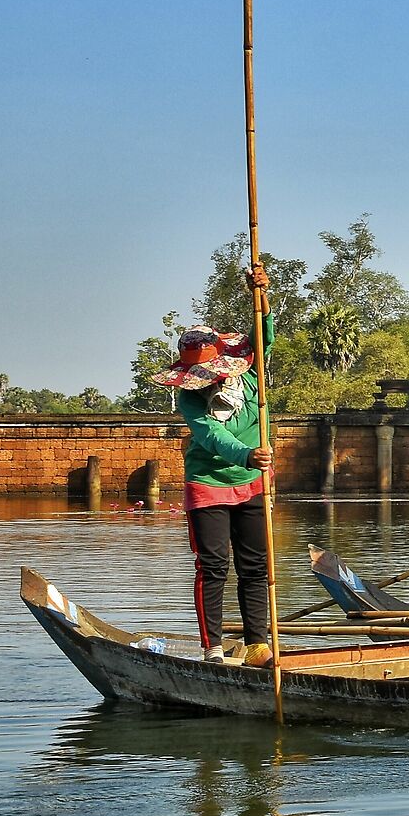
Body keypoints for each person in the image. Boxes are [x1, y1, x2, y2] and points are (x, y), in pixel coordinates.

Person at [153, 272, 277, 665]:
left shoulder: (253, 380)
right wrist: (246, 455)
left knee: (255, 564)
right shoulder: (190, 401)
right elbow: (211, 436)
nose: (206, 381)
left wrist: (261, 294)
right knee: (214, 566)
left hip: (254, 483)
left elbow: (264, 336)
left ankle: (259, 644)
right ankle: (214, 648)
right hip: (207, 483)